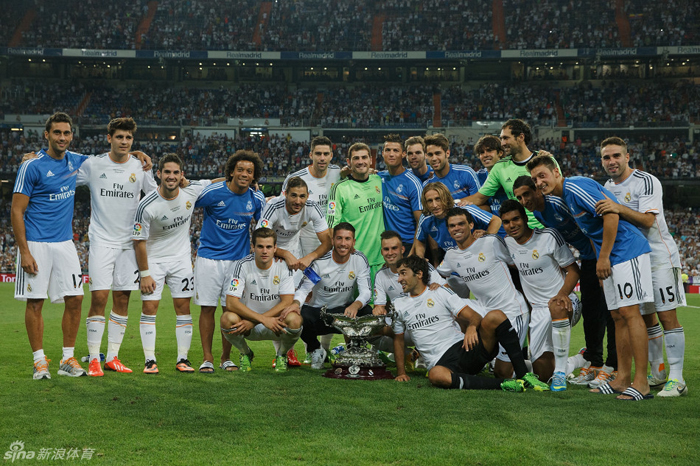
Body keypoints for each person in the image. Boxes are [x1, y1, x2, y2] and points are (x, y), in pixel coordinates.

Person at [527, 154, 654, 401]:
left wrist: (603, 257)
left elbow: (611, 215)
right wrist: (600, 263)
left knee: (630, 314)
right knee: (617, 317)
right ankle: (622, 379)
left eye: (542, 175)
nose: (539, 182)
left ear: (556, 171)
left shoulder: (575, 186)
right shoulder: (561, 198)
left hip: (627, 250)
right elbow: (591, 233)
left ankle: (642, 383)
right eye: (535, 179)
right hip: (608, 259)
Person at [598, 137, 687, 397]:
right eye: (606, 157)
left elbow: (648, 220)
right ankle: (658, 372)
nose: (612, 161)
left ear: (627, 157)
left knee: (666, 315)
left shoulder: (646, 181)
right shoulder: (606, 186)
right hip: (634, 260)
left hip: (659, 256)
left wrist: (618, 207)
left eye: (616, 156)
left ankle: (678, 379)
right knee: (646, 317)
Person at [512, 175, 617, 388]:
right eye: (519, 198)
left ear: (537, 190)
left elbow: (590, 226)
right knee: (592, 312)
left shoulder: (559, 203)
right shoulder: (539, 214)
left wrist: (600, 257)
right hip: (588, 258)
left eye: (527, 194)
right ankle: (593, 361)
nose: (524, 200)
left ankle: (613, 366)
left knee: (612, 312)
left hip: (603, 254)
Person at [12, 112, 91, 379]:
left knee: (76, 298)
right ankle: (39, 361)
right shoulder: (31, 166)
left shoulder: (76, 161)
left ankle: (67, 359)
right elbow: (16, 210)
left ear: (72, 135)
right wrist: (24, 251)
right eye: (57, 132)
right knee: (35, 302)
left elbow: (112, 160)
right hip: (36, 243)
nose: (62, 137)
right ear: (47, 135)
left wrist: (137, 152)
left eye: (66, 133)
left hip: (64, 243)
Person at [437, 207, 550, 391]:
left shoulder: (490, 242)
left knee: (502, 373)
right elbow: (437, 276)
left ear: (471, 225)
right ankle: (453, 354)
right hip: (484, 309)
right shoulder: (451, 255)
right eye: (452, 226)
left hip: (512, 310)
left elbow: (517, 262)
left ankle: (527, 367)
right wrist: (438, 287)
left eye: (461, 224)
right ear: (448, 229)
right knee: (449, 306)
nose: (456, 228)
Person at [77, 117, 157, 377]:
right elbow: (63, 171)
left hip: (128, 245)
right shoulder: (93, 165)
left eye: (129, 138)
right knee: (99, 298)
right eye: (119, 137)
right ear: (109, 138)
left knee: (122, 299)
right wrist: (36, 159)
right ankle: (93, 358)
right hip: (101, 241)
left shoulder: (140, 167)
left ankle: (112, 357)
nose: (124, 141)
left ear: (133, 141)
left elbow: (155, 197)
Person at [392, 256, 529, 392]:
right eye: (398, 275)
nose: (399, 279)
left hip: (464, 348)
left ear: (419, 274)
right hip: (441, 363)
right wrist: (401, 373)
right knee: (436, 375)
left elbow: (474, 316)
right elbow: (398, 339)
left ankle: (525, 375)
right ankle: (504, 384)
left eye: (403, 273)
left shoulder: (439, 292)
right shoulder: (398, 305)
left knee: (496, 316)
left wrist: (471, 327)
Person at [132, 153, 211, 374]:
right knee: (149, 308)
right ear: (158, 174)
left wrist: (193, 182)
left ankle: (182, 359)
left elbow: (217, 183)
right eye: (167, 172)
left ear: (182, 175)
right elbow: (138, 242)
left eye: (176, 172)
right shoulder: (146, 205)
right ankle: (150, 360)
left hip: (181, 261)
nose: (171, 176)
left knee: (183, 308)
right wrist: (145, 273)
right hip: (153, 261)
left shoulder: (191, 191)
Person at [194, 150, 265, 373]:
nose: (244, 174)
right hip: (208, 259)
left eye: (249, 172)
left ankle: (226, 358)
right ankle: (207, 358)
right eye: (241, 170)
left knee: (230, 312)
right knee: (207, 309)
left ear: (254, 177)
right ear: (231, 171)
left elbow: (264, 226)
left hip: (238, 263)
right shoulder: (213, 192)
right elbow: (187, 199)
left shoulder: (256, 198)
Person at [500, 200, 582, 391]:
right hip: (537, 311)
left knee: (557, 305)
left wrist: (562, 295)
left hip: (566, 303)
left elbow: (574, 270)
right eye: (506, 222)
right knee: (542, 374)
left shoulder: (548, 236)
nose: (512, 225)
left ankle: (561, 374)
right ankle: (580, 359)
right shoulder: (507, 244)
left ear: (525, 218)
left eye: (516, 219)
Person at [281, 222, 372, 369]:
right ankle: (316, 349)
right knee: (300, 316)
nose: (343, 243)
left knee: (367, 312)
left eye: (347, 239)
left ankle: (356, 351)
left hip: (345, 312)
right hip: (320, 314)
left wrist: (356, 304)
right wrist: (295, 304)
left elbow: (366, 291)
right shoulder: (320, 262)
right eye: (339, 238)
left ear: (353, 242)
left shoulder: (359, 259)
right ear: (332, 240)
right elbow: (304, 289)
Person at [282, 136, 341, 360]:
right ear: (311, 155)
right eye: (318, 154)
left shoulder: (338, 173)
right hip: (302, 248)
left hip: (329, 245)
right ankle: (294, 350)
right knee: (301, 297)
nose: (322, 158)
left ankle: (322, 349)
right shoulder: (296, 178)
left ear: (331, 155)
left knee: (329, 295)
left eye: (326, 154)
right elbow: (284, 207)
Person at [220, 228, 302, 372]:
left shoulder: (283, 266)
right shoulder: (241, 265)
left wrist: (257, 320)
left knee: (295, 320)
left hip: (276, 325)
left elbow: (287, 301)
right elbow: (231, 302)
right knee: (227, 318)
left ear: (275, 248)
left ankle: (281, 354)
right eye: (260, 246)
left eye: (269, 247)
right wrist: (261, 320)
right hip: (247, 326)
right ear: (253, 247)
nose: (265, 251)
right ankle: (246, 353)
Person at [463, 119, 557, 228]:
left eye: (505, 138)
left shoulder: (546, 160)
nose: (502, 143)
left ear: (521, 137)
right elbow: (479, 198)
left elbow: (559, 192)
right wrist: (450, 203)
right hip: (520, 231)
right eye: (501, 139)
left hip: (550, 228)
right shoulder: (499, 168)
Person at [327, 143, 385, 281]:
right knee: (354, 302)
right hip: (354, 259)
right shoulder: (339, 188)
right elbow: (331, 225)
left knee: (381, 302)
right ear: (349, 162)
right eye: (356, 158)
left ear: (371, 160)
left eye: (364, 157)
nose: (360, 162)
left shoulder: (378, 180)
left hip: (381, 259)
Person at [258, 176, 332, 283]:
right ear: (285, 194)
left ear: (307, 196)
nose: (298, 201)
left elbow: (328, 242)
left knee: (294, 290)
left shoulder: (312, 207)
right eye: (293, 195)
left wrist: (309, 257)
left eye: (302, 196)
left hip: (294, 251)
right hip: (269, 250)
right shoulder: (274, 206)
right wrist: (282, 253)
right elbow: (260, 239)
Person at [412, 182, 502, 264]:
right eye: (430, 201)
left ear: (446, 198)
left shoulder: (464, 209)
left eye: (438, 199)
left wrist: (486, 238)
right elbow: (420, 239)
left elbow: (496, 220)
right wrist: (420, 257)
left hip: (479, 256)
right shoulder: (425, 218)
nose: (434, 205)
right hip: (455, 260)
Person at [378, 134, 423, 252]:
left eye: (395, 150)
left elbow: (421, 221)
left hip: (407, 244)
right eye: (387, 150)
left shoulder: (413, 183)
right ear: (382, 153)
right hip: (387, 245)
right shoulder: (378, 178)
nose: (391, 154)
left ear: (403, 154)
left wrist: (414, 251)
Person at [422, 133, 480, 200]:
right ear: (426, 156)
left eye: (438, 153)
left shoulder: (466, 173)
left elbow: (481, 204)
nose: (434, 158)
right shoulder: (427, 185)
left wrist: (456, 204)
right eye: (430, 155)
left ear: (447, 153)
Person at [474, 135, 509, 218]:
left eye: (489, 150)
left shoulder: (511, 171)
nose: (485, 155)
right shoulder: (478, 177)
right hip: (492, 227)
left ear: (500, 152)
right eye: (482, 152)